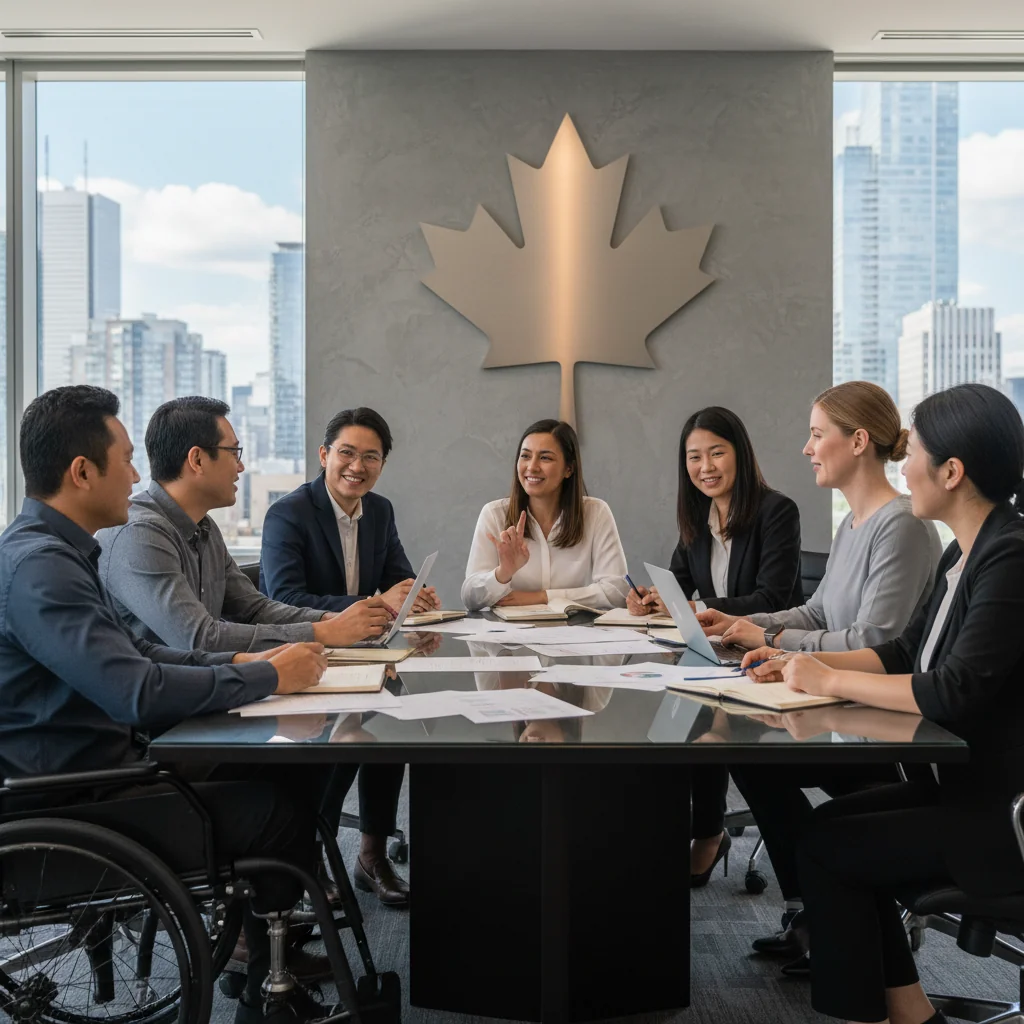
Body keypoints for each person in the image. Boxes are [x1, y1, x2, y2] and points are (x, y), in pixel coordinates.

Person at [0, 386, 330, 1024]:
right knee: (276, 811)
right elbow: (138, 690)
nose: (136, 472)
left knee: (287, 764)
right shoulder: (43, 569)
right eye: (125, 458)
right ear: (82, 472)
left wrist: (249, 668)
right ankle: (267, 985)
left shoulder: (58, 554)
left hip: (98, 772)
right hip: (77, 800)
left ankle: (257, 958)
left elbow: (143, 656)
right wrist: (262, 678)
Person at [741, 382, 1024, 1024]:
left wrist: (828, 680)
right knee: (822, 835)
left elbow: (953, 690)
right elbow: (902, 653)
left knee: (832, 853)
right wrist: (798, 663)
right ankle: (908, 1013)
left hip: (1000, 813)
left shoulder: (1010, 556)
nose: (904, 464)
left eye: (915, 452)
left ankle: (881, 1014)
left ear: (952, 472)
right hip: (958, 788)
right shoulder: (965, 550)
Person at [97, 397, 409, 908]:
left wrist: (331, 624)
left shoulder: (201, 527)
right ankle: (264, 917)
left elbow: (256, 608)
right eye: (234, 451)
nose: (242, 465)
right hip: (164, 725)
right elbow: (197, 638)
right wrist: (325, 634)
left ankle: (285, 897)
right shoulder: (140, 533)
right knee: (303, 761)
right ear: (197, 460)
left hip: (210, 697)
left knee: (329, 741)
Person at [700, 382, 942, 960]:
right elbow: (819, 612)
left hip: (880, 724)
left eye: (816, 434)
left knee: (754, 751)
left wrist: (774, 639)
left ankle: (829, 918)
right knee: (745, 748)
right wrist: (739, 623)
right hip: (841, 708)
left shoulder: (901, 524)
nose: (807, 448)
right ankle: (810, 913)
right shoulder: (854, 522)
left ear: (858, 441)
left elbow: (876, 640)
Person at [625, 407, 802, 885]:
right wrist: (651, 600)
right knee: (671, 713)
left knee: (702, 719)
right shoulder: (697, 519)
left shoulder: (775, 511)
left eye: (716, 453)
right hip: (715, 656)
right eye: (694, 457)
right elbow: (677, 588)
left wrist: (696, 604)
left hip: (768, 658)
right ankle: (683, 834)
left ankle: (708, 835)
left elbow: (773, 598)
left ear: (740, 454)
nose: (706, 466)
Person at [260, 406, 440, 615]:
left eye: (370, 457)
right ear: (324, 455)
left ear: (382, 465)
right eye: (347, 453)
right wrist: (375, 602)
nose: (357, 467)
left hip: (361, 643)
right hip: (300, 643)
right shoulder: (287, 514)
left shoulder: (380, 511)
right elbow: (285, 601)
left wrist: (418, 599)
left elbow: (399, 581)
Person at [462, 419, 629, 611]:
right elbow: (470, 598)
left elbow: (617, 592)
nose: (532, 467)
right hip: (512, 637)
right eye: (525, 456)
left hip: (578, 635)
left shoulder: (596, 513)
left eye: (545, 458)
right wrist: (502, 574)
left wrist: (543, 597)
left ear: (569, 469)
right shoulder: (494, 514)